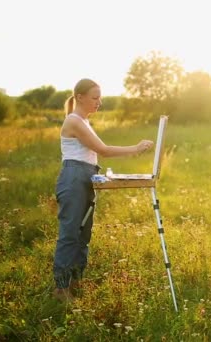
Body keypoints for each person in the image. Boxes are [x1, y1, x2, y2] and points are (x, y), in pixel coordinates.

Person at [53, 78, 153, 303]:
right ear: (80, 97)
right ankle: (60, 289)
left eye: (100, 97)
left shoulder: (85, 122)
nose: (100, 102)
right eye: (95, 97)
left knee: (83, 234)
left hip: (86, 176)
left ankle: (76, 281)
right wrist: (135, 149)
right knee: (70, 234)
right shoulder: (74, 121)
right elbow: (103, 150)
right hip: (74, 178)